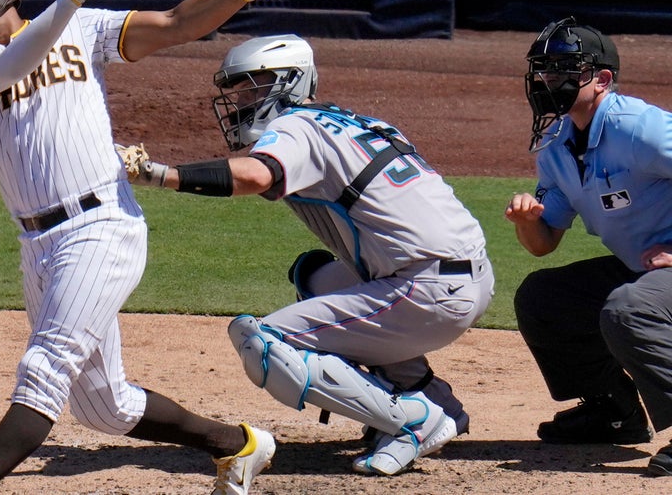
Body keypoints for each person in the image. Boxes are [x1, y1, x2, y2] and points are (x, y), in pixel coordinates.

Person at [0, 0, 303, 494]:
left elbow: (175, 25)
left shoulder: (81, 28)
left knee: (44, 371)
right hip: (38, 246)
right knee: (104, 407)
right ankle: (239, 445)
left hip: (101, 227)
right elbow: (11, 66)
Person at [121, 34, 494, 476]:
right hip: (461, 276)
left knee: (263, 342)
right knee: (314, 275)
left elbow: (258, 176)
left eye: (252, 87)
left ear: (288, 83)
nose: (241, 101)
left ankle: (412, 421)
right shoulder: (354, 122)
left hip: (425, 290)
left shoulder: (296, 126)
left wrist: (159, 175)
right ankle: (431, 397)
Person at [503, 16, 672, 476]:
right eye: (543, 70)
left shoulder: (641, 129)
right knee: (544, 298)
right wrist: (525, 221)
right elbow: (544, 244)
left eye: (561, 70)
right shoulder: (557, 146)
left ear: (602, 80)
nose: (547, 81)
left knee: (629, 308)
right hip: (648, 270)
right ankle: (613, 411)